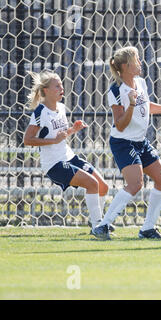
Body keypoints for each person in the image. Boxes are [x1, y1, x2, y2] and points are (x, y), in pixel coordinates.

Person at [92, 46, 161, 240]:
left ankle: (148, 228)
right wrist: (131, 104)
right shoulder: (116, 90)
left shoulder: (140, 82)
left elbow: (148, 107)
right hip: (123, 142)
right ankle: (103, 225)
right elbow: (121, 124)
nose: (140, 63)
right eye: (137, 60)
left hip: (141, 142)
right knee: (135, 184)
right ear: (125, 66)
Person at [23, 70, 109, 232]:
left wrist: (72, 130)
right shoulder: (40, 112)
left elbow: (59, 136)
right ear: (46, 91)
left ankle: (96, 222)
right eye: (57, 86)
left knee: (103, 187)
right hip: (54, 164)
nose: (61, 88)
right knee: (92, 184)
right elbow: (27, 140)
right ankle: (98, 226)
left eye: (61, 85)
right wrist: (53, 141)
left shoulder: (61, 108)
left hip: (69, 156)